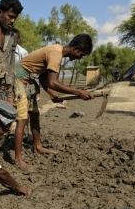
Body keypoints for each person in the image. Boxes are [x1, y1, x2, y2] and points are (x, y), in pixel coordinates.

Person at [13, 34, 95, 169]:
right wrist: (78, 92)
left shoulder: (58, 52)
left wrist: (50, 92)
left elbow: (44, 76)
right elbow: (53, 82)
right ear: (76, 48)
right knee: (22, 119)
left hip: (29, 80)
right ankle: (18, 159)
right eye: (81, 54)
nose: (80, 58)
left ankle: (38, 147)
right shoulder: (56, 54)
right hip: (18, 79)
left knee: (34, 114)